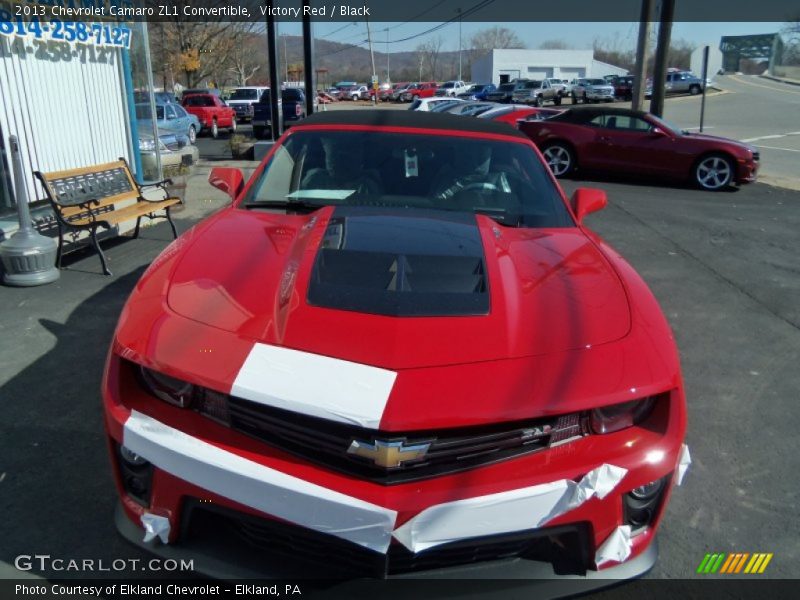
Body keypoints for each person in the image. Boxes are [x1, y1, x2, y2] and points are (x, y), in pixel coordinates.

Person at [430, 143, 513, 204]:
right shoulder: (448, 177)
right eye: (469, 155)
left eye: (481, 155)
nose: (475, 161)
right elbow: (437, 203)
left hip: (493, 219)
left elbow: (508, 203)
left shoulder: (498, 178)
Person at [301, 137, 382, 197]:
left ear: (359, 160)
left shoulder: (366, 186)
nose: (341, 162)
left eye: (348, 157)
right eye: (334, 157)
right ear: (326, 158)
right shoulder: (315, 180)